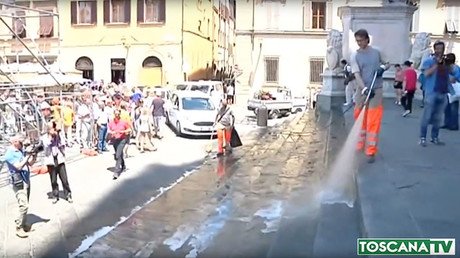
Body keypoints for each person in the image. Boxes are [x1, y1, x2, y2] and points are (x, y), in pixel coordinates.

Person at [350, 29, 389, 163]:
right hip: (362, 90)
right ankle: (359, 145)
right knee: (359, 116)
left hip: (376, 89)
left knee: (373, 119)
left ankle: (370, 151)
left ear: (367, 39)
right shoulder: (354, 56)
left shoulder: (376, 52)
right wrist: (364, 88)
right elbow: (356, 74)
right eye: (357, 41)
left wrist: (383, 68)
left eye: (361, 40)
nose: (359, 43)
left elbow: (387, 63)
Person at [419, 41, 457, 146]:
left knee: (438, 117)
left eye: (442, 48)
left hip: (443, 92)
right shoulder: (428, 61)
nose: (440, 51)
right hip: (431, 92)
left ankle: (434, 137)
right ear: (435, 49)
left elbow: (452, 74)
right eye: (438, 48)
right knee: (427, 116)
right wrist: (436, 64)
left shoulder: (445, 62)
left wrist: (448, 65)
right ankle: (422, 138)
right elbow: (426, 74)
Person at [2, 135, 37, 238]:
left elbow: (29, 163)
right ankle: (19, 228)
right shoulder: (9, 154)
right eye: (21, 142)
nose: (23, 144)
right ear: (15, 142)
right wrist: (27, 156)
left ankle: (23, 223)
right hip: (18, 182)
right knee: (24, 205)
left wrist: (34, 156)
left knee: (26, 204)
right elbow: (18, 166)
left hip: (26, 179)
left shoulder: (20, 150)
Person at [42, 121, 72, 204]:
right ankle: (55, 195)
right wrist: (51, 136)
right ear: (48, 129)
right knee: (53, 180)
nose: (54, 129)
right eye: (52, 128)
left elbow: (63, 144)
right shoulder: (45, 137)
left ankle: (68, 194)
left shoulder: (59, 135)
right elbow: (47, 144)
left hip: (59, 159)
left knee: (64, 179)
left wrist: (58, 135)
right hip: (51, 161)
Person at [108, 109, 131, 180]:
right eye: (115, 114)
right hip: (115, 140)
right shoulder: (111, 122)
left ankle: (116, 172)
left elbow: (129, 129)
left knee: (117, 155)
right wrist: (111, 133)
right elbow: (109, 130)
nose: (117, 115)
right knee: (119, 154)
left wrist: (123, 131)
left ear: (120, 115)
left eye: (118, 114)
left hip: (122, 139)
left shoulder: (123, 122)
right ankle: (123, 165)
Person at [442, 53, 460, 131]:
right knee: (447, 107)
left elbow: (456, 78)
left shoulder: (455, 68)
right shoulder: (446, 67)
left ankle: (454, 124)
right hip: (447, 88)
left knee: (453, 107)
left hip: (453, 89)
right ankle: (447, 123)